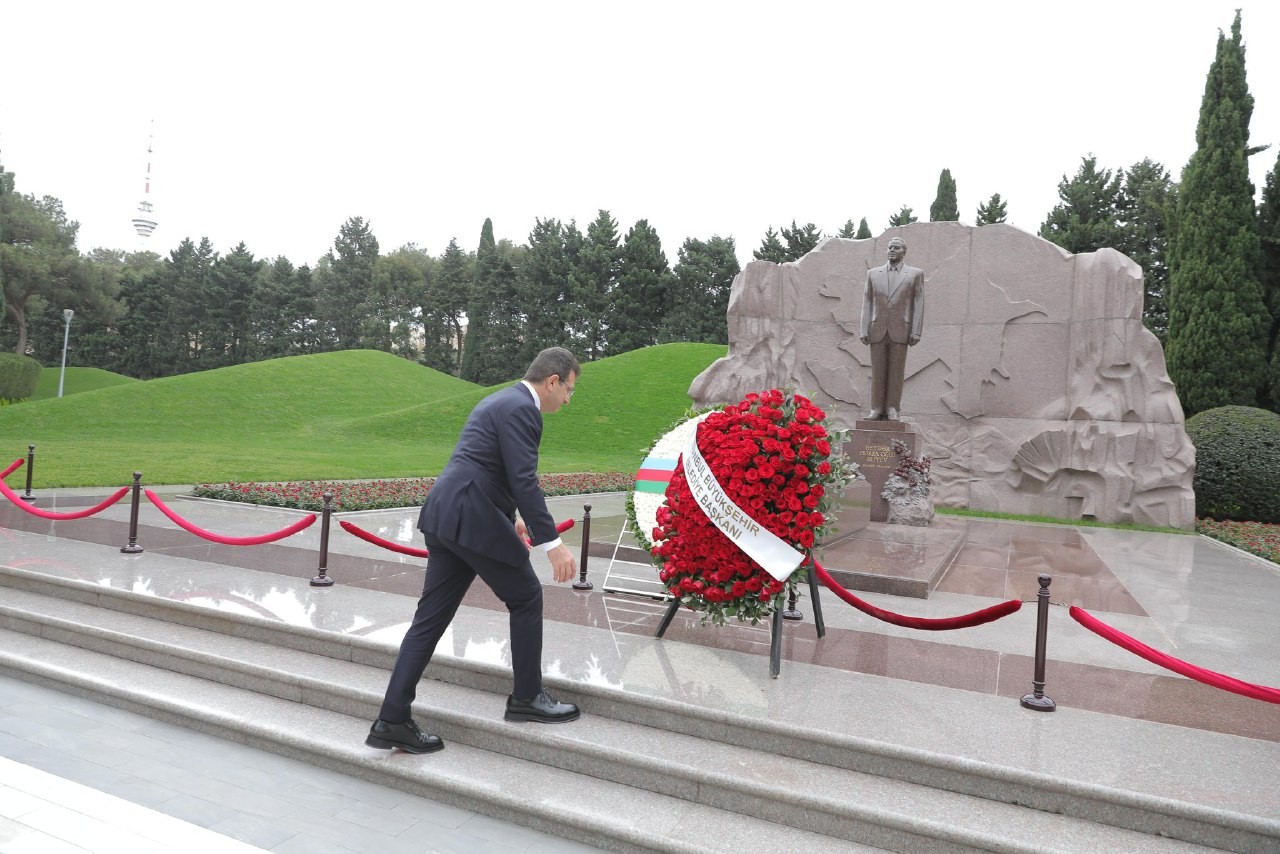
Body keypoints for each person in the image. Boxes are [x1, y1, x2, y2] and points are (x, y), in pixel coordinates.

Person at [366, 347, 583, 754]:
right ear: (552, 381)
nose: (568, 400)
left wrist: (512, 517)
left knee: (428, 621)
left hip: (448, 514)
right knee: (526, 597)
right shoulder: (524, 409)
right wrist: (552, 544)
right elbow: (524, 479)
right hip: (471, 517)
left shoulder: (501, 399)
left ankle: (391, 720)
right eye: (569, 390)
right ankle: (526, 698)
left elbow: (486, 466)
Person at [859, 236, 925, 420]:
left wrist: (916, 330)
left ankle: (892, 408)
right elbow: (867, 302)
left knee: (896, 371)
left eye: (896, 248)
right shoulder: (873, 274)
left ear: (904, 252)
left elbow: (918, 303)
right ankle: (876, 408)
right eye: (889, 248)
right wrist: (863, 328)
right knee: (877, 370)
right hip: (877, 328)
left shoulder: (915, 274)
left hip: (900, 329)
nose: (892, 250)